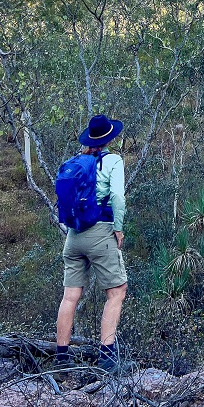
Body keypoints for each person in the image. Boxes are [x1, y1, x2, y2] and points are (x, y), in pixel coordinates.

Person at [55, 114, 127, 372]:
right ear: (110, 138)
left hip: (73, 236)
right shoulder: (113, 160)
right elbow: (117, 195)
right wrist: (118, 228)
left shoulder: (75, 162)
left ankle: (61, 358)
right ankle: (107, 359)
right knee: (116, 292)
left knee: (70, 296)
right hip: (101, 232)